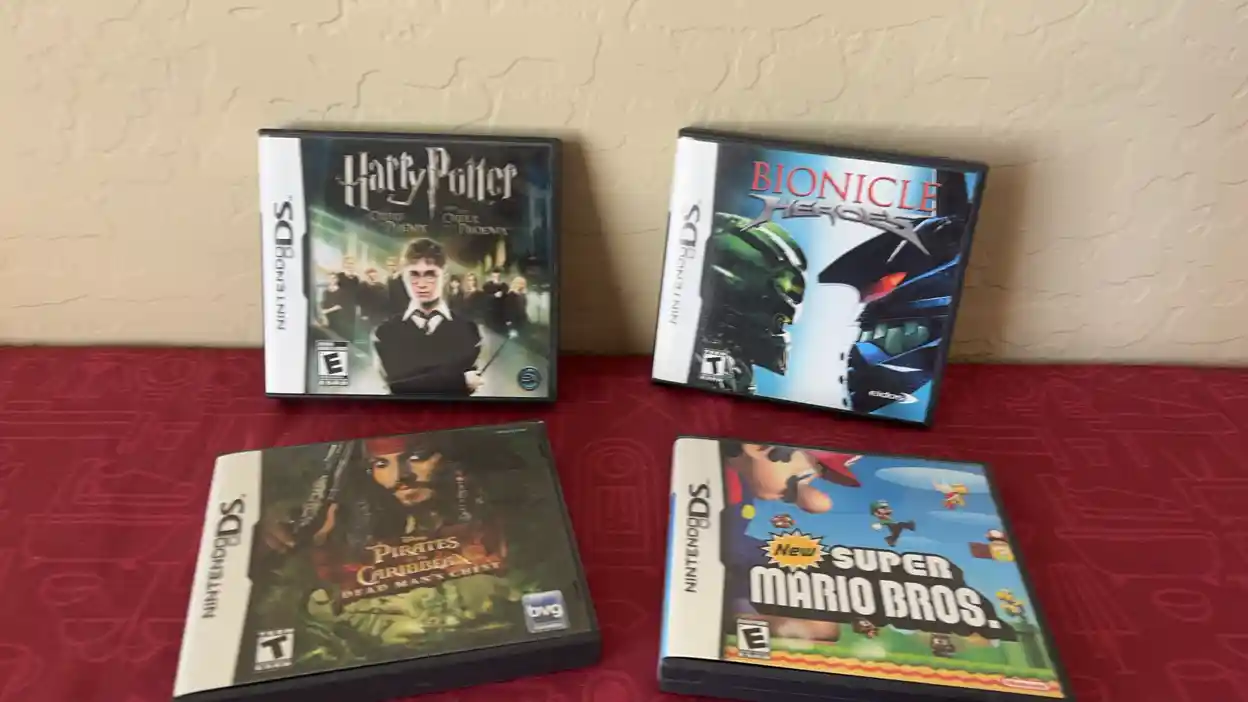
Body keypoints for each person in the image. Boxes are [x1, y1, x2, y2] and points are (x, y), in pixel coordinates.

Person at [372, 239, 483, 396]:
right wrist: (460, 381)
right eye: (414, 275)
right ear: (403, 277)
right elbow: (396, 385)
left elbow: (405, 384)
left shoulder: (469, 330)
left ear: (445, 275)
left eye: (430, 275)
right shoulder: (385, 332)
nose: (422, 284)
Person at [319, 274, 354, 339]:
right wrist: (323, 315)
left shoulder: (342, 292)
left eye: (333, 278)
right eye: (329, 278)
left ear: (336, 280)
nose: (331, 280)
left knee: (338, 337)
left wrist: (327, 311)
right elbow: (323, 304)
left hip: (338, 318)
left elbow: (340, 306)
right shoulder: (325, 292)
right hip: (328, 318)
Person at [480, 268, 509, 333]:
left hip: (501, 313)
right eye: (495, 276)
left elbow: (507, 301)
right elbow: (484, 298)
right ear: (492, 276)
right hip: (490, 313)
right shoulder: (487, 286)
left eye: (498, 276)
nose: (497, 278)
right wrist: (494, 296)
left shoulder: (504, 286)